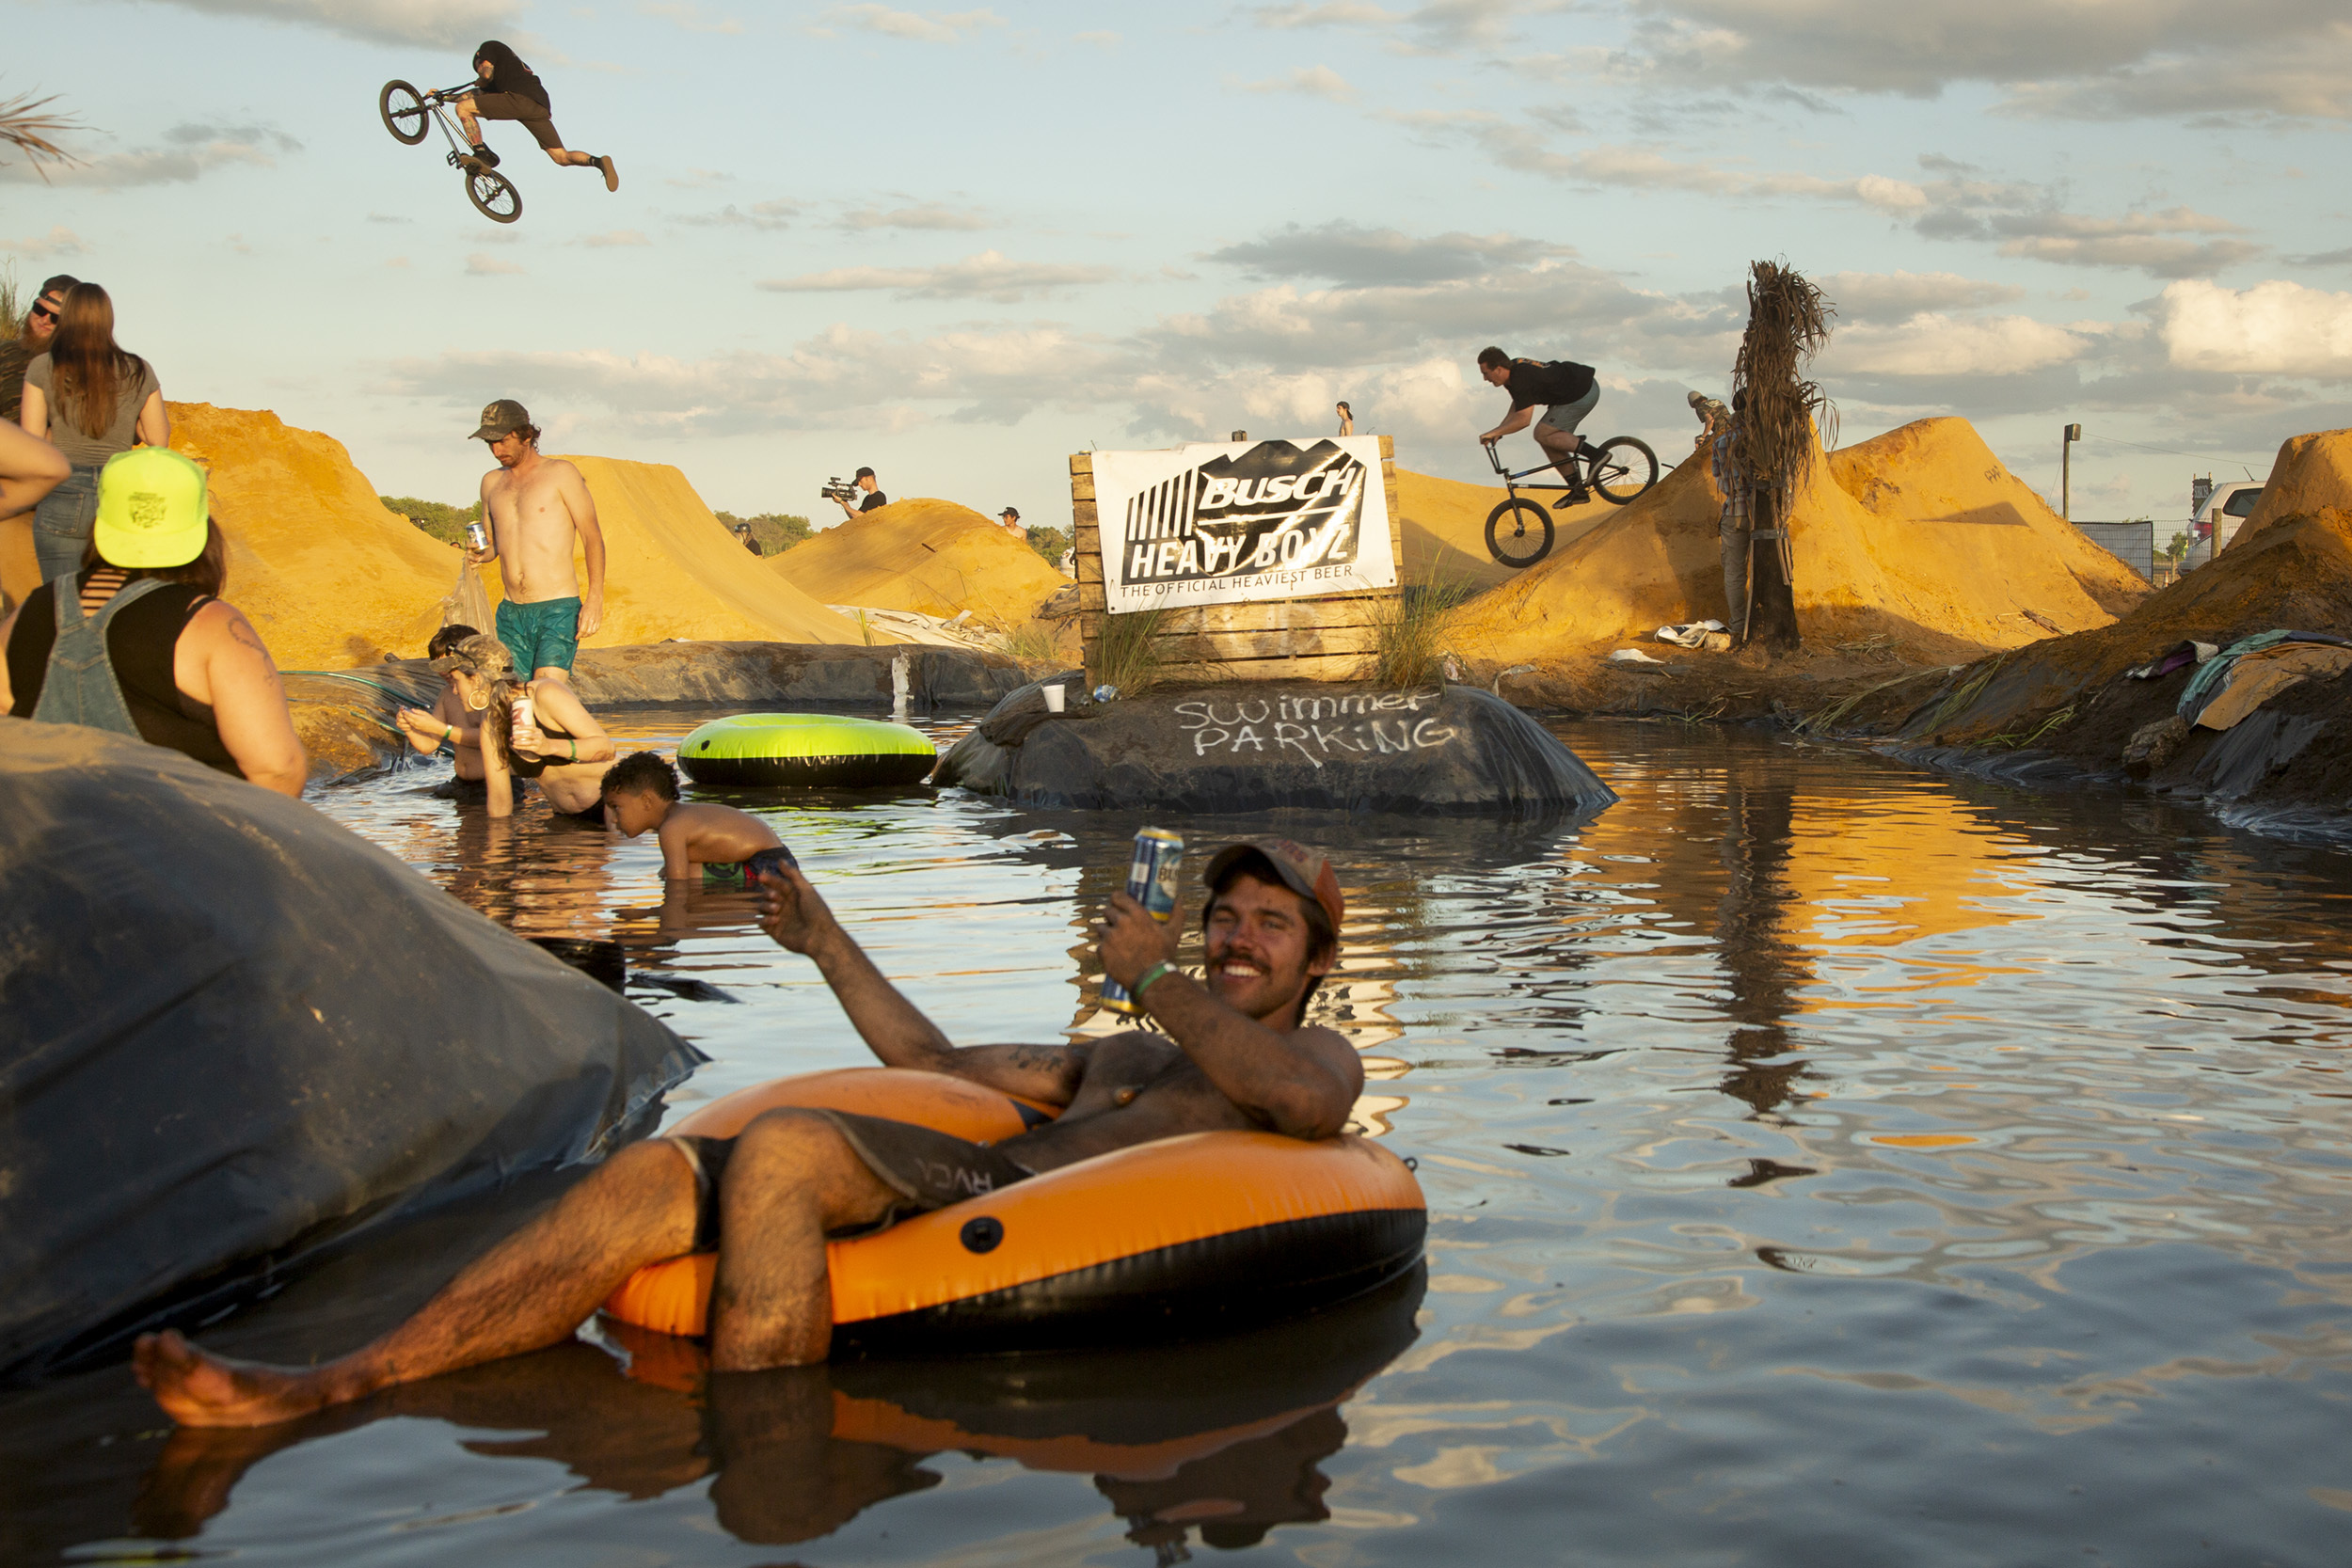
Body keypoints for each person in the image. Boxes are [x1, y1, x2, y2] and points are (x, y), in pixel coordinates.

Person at [133, 837, 1361, 1422]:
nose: (1239, 937)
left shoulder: (1312, 1054)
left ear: (1313, 959)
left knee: (777, 1147)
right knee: (648, 1174)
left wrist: (1153, 977)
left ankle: (765, 1451)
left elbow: (1303, 1107)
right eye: (1226, 916)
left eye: (1270, 924)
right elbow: (932, 1064)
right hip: (970, 1173)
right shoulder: (1129, 1050)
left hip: (986, 1212)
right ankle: (344, 1376)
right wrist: (826, 937)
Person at [2, 448, 307, 795]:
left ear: (102, 523)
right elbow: (277, 770)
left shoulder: (31, 608)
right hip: (178, 837)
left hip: (48, 829)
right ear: (202, 529)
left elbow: (8, 711)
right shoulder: (211, 624)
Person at [18, 282, 169, 582]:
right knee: (112, 607)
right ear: (107, 319)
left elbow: (31, 444)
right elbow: (159, 440)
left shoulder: (42, 367)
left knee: (62, 606)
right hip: (120, 495)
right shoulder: (138, 369)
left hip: (63, 494)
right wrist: (128, 421)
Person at [463, 399, 606, 684]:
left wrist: (595, 599)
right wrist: (482, 554)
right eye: (490, 443)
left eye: (502, 441)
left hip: (557, 607)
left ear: (527, 436)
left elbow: (592, 536)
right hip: (511, 611)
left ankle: (582, 730)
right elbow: (494, 544)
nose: (495, 450)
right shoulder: (491, 482)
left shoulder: (560, 473)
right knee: (513, 696)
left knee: (546, 689)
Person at [409, 632, 614, 819]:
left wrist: (549, 747)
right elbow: (499, 800)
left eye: (456, 681)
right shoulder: (491, 720)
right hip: (565, 817)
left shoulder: (545, 693)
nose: (454, 691)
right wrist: (495, 852)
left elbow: (606, 748)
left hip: (613, 802)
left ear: (477, 679)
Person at [601, 750, 785, 885]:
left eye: (616, 807)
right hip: (777, 863)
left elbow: (677, 886)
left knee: (680, 880)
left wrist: (656, 916)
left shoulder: (672, 828)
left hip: (770, 869)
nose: (615, 819)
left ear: (647, 801)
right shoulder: (680, 817)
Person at [455, 40, 618, 191]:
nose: (479, 69)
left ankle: (482, 154)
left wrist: (481, 78)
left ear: (480, 58)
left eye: (478, 66)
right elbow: (476, 93)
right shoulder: (508, 73)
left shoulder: (488, 47)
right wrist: (443, 97)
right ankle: (599, 162)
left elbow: (485, 74)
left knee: (463, 109)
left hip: (519, 99)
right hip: (539, 106)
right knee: (561, 156)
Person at [1476, 345, 1600, 509]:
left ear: (1498, 369)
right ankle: (1578, 490)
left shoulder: (1521, 378)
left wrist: (1494, 432)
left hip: (1583, 391)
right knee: (1547, 439)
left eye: (1486, 373)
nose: (1485, 379)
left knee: (1542, 433)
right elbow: (1519, 405)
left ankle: (1597, 456)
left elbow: (1523, 420)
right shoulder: (1513, 375)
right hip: (1574, 392)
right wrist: (1499, 431)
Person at [393, 623, 490, 795]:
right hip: (461, 783)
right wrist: (409, 727)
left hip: (493, 783)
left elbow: (489, 738)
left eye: (448, 665)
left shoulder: (487, 691)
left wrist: (440, 728)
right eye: (438, 667)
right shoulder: (446, 695)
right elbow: (429, 745)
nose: (443, 672)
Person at [0, 273, 79, 424]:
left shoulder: (84, 365)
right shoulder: (4, 352)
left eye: (55, 318)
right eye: (40, 310)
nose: (45, 320)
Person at [1711, 389, 1750, 641]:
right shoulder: (1765, 438)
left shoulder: (1721, 441)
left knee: (1734, 573)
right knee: (1775, 569)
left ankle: (1739, 626)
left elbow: (1717, 475)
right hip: (1763, 516)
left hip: (1733, 513)